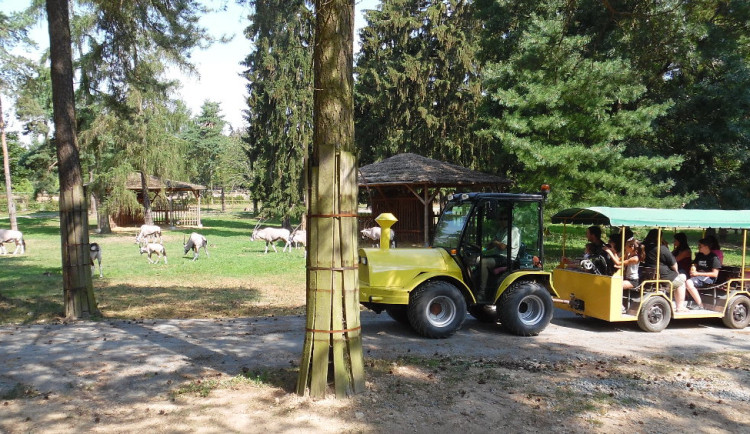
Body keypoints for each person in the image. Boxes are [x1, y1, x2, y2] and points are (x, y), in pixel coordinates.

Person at [642, 229, 688, 312]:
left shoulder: (644, 246)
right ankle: (680, 306)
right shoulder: (661, 248)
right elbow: (673, 263)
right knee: (681, 280)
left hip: (649, 274)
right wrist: (676, 273)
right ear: (659, 237)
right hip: (663, 276)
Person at [683, 238, 721, 310]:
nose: (698, 247)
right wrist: (693, 268)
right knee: (681, 280)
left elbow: (715, 274)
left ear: (706, 247)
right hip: (698, 276)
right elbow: (694, 263)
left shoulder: (714, 258)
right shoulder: (700, 255)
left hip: (708, 278)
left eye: (700, 246)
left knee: (688, 283)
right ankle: (690, 300)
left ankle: (700, 305)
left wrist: (697, 273)